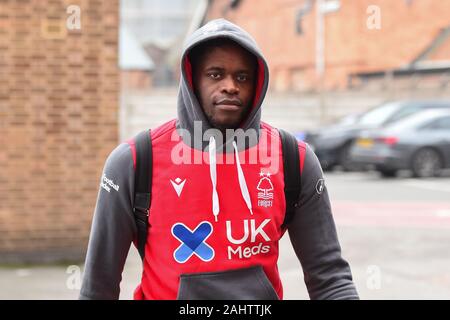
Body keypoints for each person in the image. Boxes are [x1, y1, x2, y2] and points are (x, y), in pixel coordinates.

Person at [79, 19, 359, 300]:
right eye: (215, 74)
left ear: (258, 84)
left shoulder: (293, 160)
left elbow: (330, 278)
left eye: (242, 77)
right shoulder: (135, 161)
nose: (230, 86)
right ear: (192, 81)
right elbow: (98, 288)